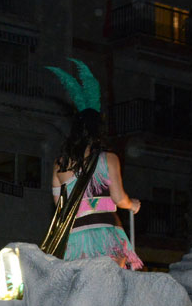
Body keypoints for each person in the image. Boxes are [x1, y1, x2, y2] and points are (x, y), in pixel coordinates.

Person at [52, 108, 143, 268]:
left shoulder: (60, 164)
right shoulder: (109, 159)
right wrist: (132, 204)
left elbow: (60, 207)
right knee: (109, 279)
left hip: (74, 238)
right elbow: (119, 198)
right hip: (105, 233)